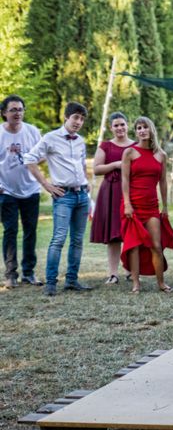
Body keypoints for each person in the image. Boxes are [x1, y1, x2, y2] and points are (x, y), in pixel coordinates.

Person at [24, 102, 92, 296]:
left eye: (81, 119)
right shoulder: (50, 138)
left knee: (77, 240)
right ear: (66, 117)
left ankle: (72, 280)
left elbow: (80, 164)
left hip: (82, 195)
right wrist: (46, 185)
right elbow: (29, 159)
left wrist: (86, 183)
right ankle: (51, 282)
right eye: (75, 117)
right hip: (63, 196)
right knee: (59, 239)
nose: (78, 122)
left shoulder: (80, 140)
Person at [120, 117, 173, 294]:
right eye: (138, 128)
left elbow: (163, 182)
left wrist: (165, 206)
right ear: (136, 132)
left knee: (156, 246)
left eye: (145, 127)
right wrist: (127, 203)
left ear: (151, 130)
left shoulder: (161, 155)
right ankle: (136, 284)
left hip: (151, 206)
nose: (142, 131)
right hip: (132, 206)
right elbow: (125, 179)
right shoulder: (129, 152)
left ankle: (161, 283)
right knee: (134, 246)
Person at [0, 95, 43, 288]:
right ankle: (10, 274)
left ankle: (29, 273)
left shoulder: (32, 131)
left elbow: (42, 155)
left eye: (20, 109)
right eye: (13, 110)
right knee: (10, 230)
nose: (17, 113)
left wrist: (31, 161)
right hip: (6, 190)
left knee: (30, 231)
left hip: (31, 189)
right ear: (4, 113)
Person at [90, 112, 134, 284]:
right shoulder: (106, 146)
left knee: (132, 232)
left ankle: (132, 270)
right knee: (114, 234)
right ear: (111, 128)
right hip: (111, 191)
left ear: (127, 125)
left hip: (132, 191)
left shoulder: (136, 145)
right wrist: (116, 165)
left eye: (122, 124)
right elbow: (97, 169)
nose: (120, 128)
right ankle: (113, 273)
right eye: (116, 125)